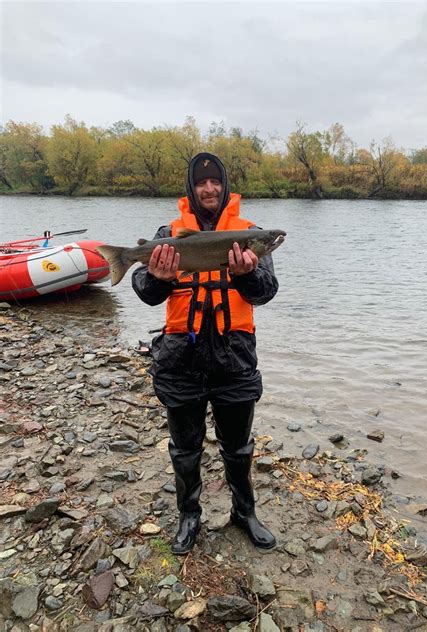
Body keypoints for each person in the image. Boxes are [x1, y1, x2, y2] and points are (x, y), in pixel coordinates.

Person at [132, 152, 279, 555]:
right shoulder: (169, 232)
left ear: (225, 186)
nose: (209, 189)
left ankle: (244, 512)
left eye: (215, 182)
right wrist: (159, 279)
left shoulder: (251, 234)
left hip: (234, 357)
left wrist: (246, 274)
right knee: (185, 447)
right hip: (181, 358)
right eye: (201, 183)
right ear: (192, 189)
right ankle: (189, 515)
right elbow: (144, 291)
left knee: (239, 445)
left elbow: (266, 292)